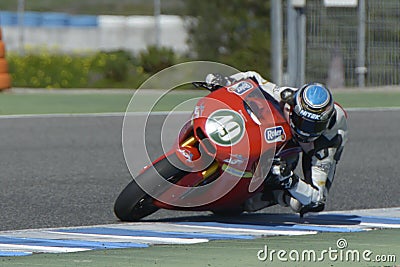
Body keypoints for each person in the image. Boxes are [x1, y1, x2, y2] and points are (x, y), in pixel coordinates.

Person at [206, 71, 348, 216]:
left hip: (317, 147)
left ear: (325, 123)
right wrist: (226, 81)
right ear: (294, 108)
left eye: (314, 126)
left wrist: (288, 178)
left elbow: (317, 200)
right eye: (302, 122)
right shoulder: (287, 96)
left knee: (300, 203)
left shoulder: (327, 142)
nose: (306, 131)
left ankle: (280, 197)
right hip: (281, 129)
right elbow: (254, 78)